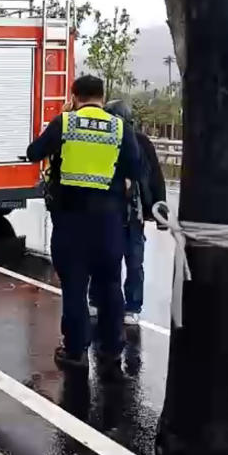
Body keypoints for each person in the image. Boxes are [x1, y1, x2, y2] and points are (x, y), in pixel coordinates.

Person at [26, 75, 141, 375]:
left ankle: (75, 351)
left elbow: (33, 153)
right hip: (108, 224)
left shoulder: (65, 123)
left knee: (75, 289)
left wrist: (61, 118)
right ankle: (112, 350)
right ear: (103, 97)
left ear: (74, 96)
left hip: (71, 223)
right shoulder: (119, 127)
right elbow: (136, 166)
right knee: (111, 286)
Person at [89, 100, 167, 332]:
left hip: (133, 214)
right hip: (108, 210)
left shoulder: (141, 142)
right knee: (104, 258)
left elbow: (155, 178)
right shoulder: (102, 141)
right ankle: (96, 299)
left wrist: (160, 212)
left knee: (133, 261)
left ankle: (132, 306)